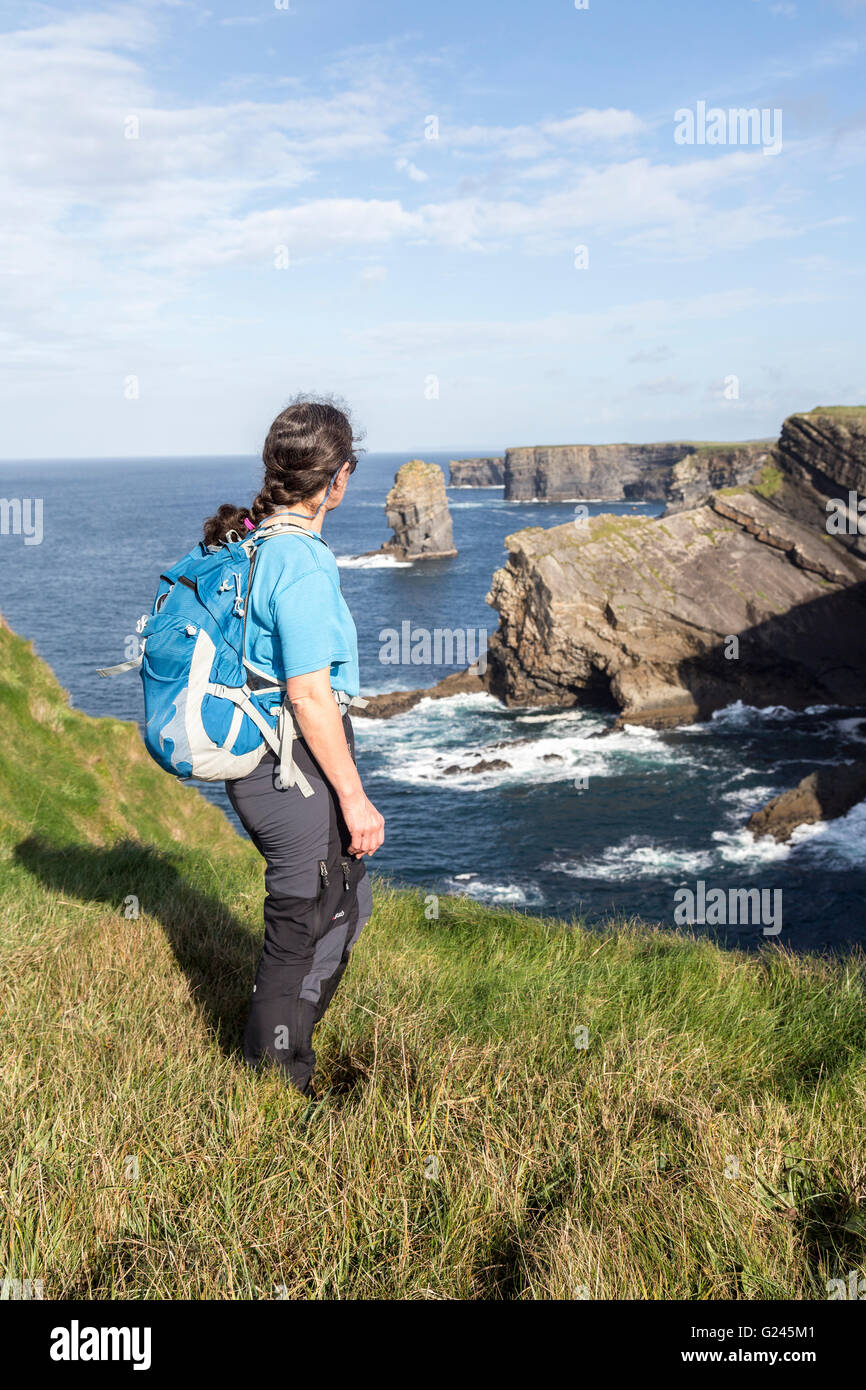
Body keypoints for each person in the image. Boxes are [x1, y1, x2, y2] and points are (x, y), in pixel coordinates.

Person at [203, 396, 385, 1096]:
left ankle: (288, 1055)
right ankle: (276, 1089)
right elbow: (309, 697)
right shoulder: (300, 561)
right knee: (300, 927)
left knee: (343, 904)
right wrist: (355, 798)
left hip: (264, 763)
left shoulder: (246, 543)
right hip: (291, 768)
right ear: (338, 478)